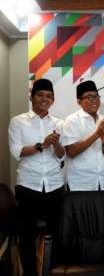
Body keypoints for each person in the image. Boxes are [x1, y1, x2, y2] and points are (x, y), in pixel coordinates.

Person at [8, 79, 65, 276]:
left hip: (54, 186)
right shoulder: (18, 121)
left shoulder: (59, 123)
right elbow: (16, 151)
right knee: (27, 236)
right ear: (32, 97)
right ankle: (31, 272)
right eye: (40, 95)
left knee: (59, 233)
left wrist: (55, 144)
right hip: (28, 186)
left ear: (53, 100)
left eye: (49, 96)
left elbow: (62, 155)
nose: (44, 99)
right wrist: (42, 144)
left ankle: (53, 270)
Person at [62, 80, 104, 191]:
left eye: (96, 97)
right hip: (80, 183)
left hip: (101, 181)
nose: (94, 100)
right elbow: (71, 152)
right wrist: (97, 134)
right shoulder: (72, 120)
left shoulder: (103, 119)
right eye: (89, 97)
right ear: (79, 101)